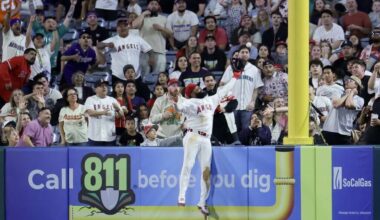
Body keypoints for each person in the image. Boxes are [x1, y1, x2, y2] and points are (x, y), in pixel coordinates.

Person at [176, 59, 243, 216]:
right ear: (191, 93)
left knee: (206, 172)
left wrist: (236, 75)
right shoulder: (189, 102)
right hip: (192, 136)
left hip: (206, 139)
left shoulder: (210, 100)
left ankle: (202, 202)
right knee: (188, 165)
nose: (200, 88)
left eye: (199, 87)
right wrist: (177, 97)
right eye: (196, 88)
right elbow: (179, 106)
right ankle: (181, 196)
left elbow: (225, 89)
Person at [221, 45, 263, 132]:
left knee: (246, 131)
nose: (244, 54)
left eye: (246, 52)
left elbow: (256, 88)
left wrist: (252, 102)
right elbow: (222, 84)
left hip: (247, 107)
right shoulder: (231, 68)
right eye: (242, 52)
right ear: (238, 54)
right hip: (232, 107)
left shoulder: (254, 69)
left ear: (249, 55)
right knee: (233, 132)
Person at [97, 17, 152, 82]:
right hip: (118, 76)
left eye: (125, 25)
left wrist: (151, 58)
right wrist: (106, 44)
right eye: (120, 26)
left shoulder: (137, 39)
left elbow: (149, 49)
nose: (123, 28)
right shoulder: (112, 40)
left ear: (128, 27)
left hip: (135, 75)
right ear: (117, 29)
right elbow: (98, 45)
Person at [132, 0, 172, 74]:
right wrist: (143, 14)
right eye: (151, 4)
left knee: (159, 77)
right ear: (148, 6)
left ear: (158, 7)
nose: (154, 6)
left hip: (160, 52)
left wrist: (162, 28)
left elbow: (171, 34)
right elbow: (134, 25)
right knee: (143, 77)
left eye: (156, 4)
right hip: (144, 52)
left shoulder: (164, 19)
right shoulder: (142, 18)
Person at [322, 76, 365, 145]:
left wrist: (351, 93)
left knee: (344, 155)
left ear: (356, 85)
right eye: (347, 80)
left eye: (350, 81)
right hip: (329, 130)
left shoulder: (360, 100)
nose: (347, 81)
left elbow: (348, 104)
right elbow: (336, 104)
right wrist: (348, 94)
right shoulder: (338, 92)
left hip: (345, 132)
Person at [84, 79, 123, 146]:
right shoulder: (90, 99)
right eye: (101, 86)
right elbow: (89, 113)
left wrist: (118, 110)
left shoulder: (112, 100)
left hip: (110, 136)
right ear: (95, 89)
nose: (104, 87)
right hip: (94, 136)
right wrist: (103, 112)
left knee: (110, 156)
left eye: (105, 86)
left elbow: (120, 116)